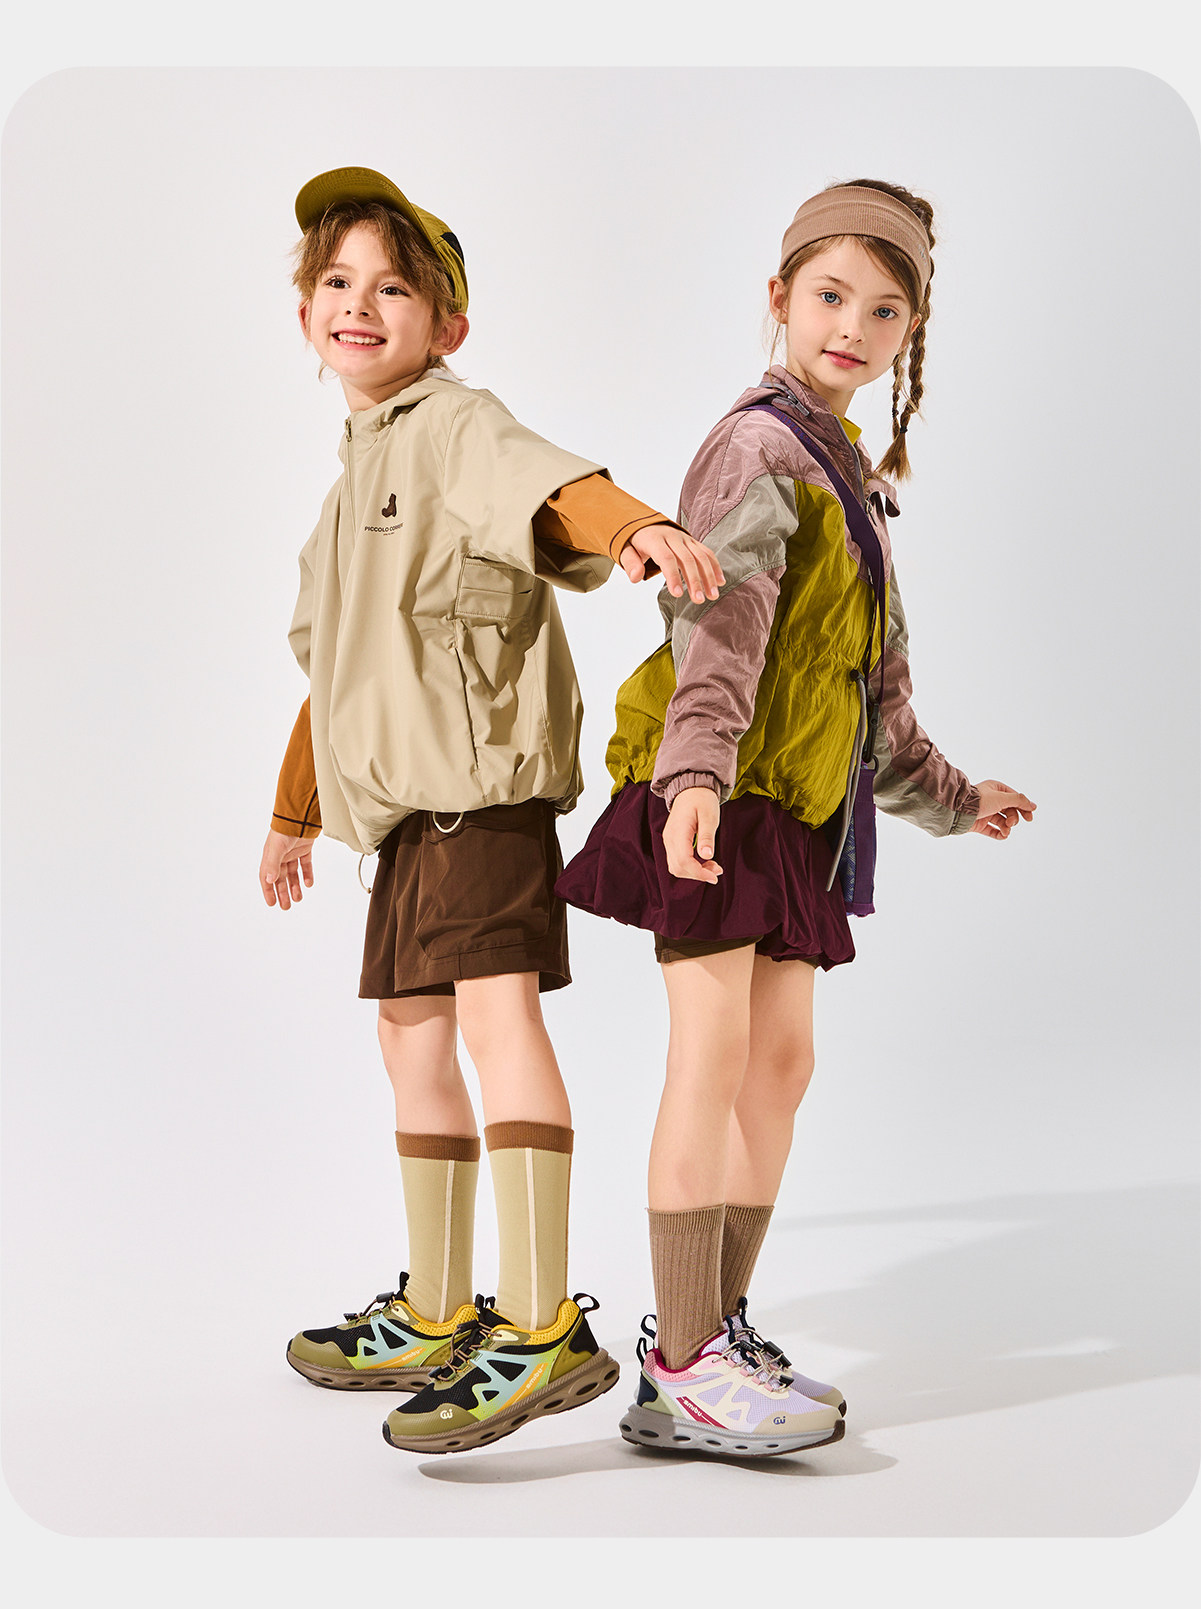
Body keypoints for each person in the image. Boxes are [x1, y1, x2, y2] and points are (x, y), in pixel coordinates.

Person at [557, 179, 1036, 1459]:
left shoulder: (851, 476)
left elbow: (869, 685)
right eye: (830, 296)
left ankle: (713, 1331)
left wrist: (953, 797)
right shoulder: (757, 447)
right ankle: (680, 1363)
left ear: (908, 333)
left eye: (884, 311)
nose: (851, 327)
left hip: (797, 813)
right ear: (779, 298)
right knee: (711, 1055)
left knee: (780, 1067)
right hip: (718, 793)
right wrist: (695, 779)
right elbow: (717, 629)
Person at [257, 166, 724, 1457]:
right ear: (305, 314)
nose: (360, 304)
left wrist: (631, 529)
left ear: (445, 324)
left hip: (483, 806)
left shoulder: (454, 423)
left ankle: (539, 1324)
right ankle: (437, 1310)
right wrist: (294, 815)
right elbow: (337, 675)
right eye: (337, 282)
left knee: (493, 1020)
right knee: (410, 1039)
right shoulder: (349, 488)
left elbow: (546, 485)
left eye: (393, 288)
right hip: (406, 824)